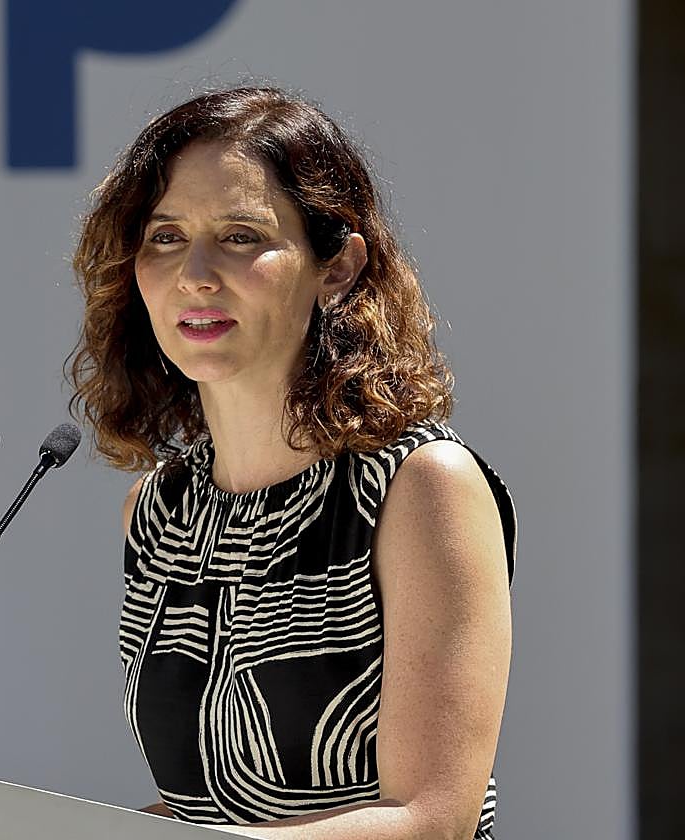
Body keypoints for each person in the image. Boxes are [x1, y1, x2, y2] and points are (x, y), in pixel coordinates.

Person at [69, 87, 516, 840]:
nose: (196, 274)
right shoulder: (157, 512)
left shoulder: (420, 486)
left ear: (335, 267)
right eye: (165, 237)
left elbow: (431, 821)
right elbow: (203, 815)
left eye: (241, 236)